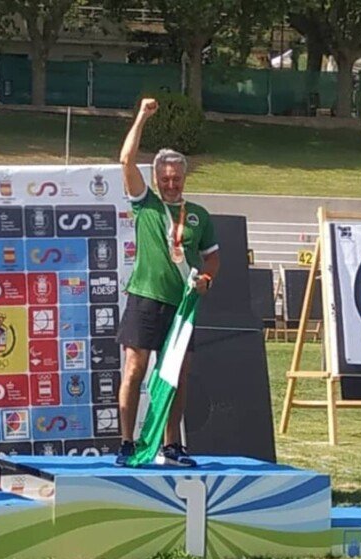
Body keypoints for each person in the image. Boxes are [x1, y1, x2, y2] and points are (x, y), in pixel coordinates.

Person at [115, 98, 220, 467]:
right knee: (134, 369)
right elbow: (126, 160)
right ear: (157, 179)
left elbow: (212, 257)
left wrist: (207, 279)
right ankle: (128, 442)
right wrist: (141, 116)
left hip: (182, 306)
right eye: (165, 178)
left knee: (175, 377)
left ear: (184, 178)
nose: (171, 184)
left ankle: (172, 445)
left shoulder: (199, 216)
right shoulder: (145, 204)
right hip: (145, 298)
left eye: (177, 178)